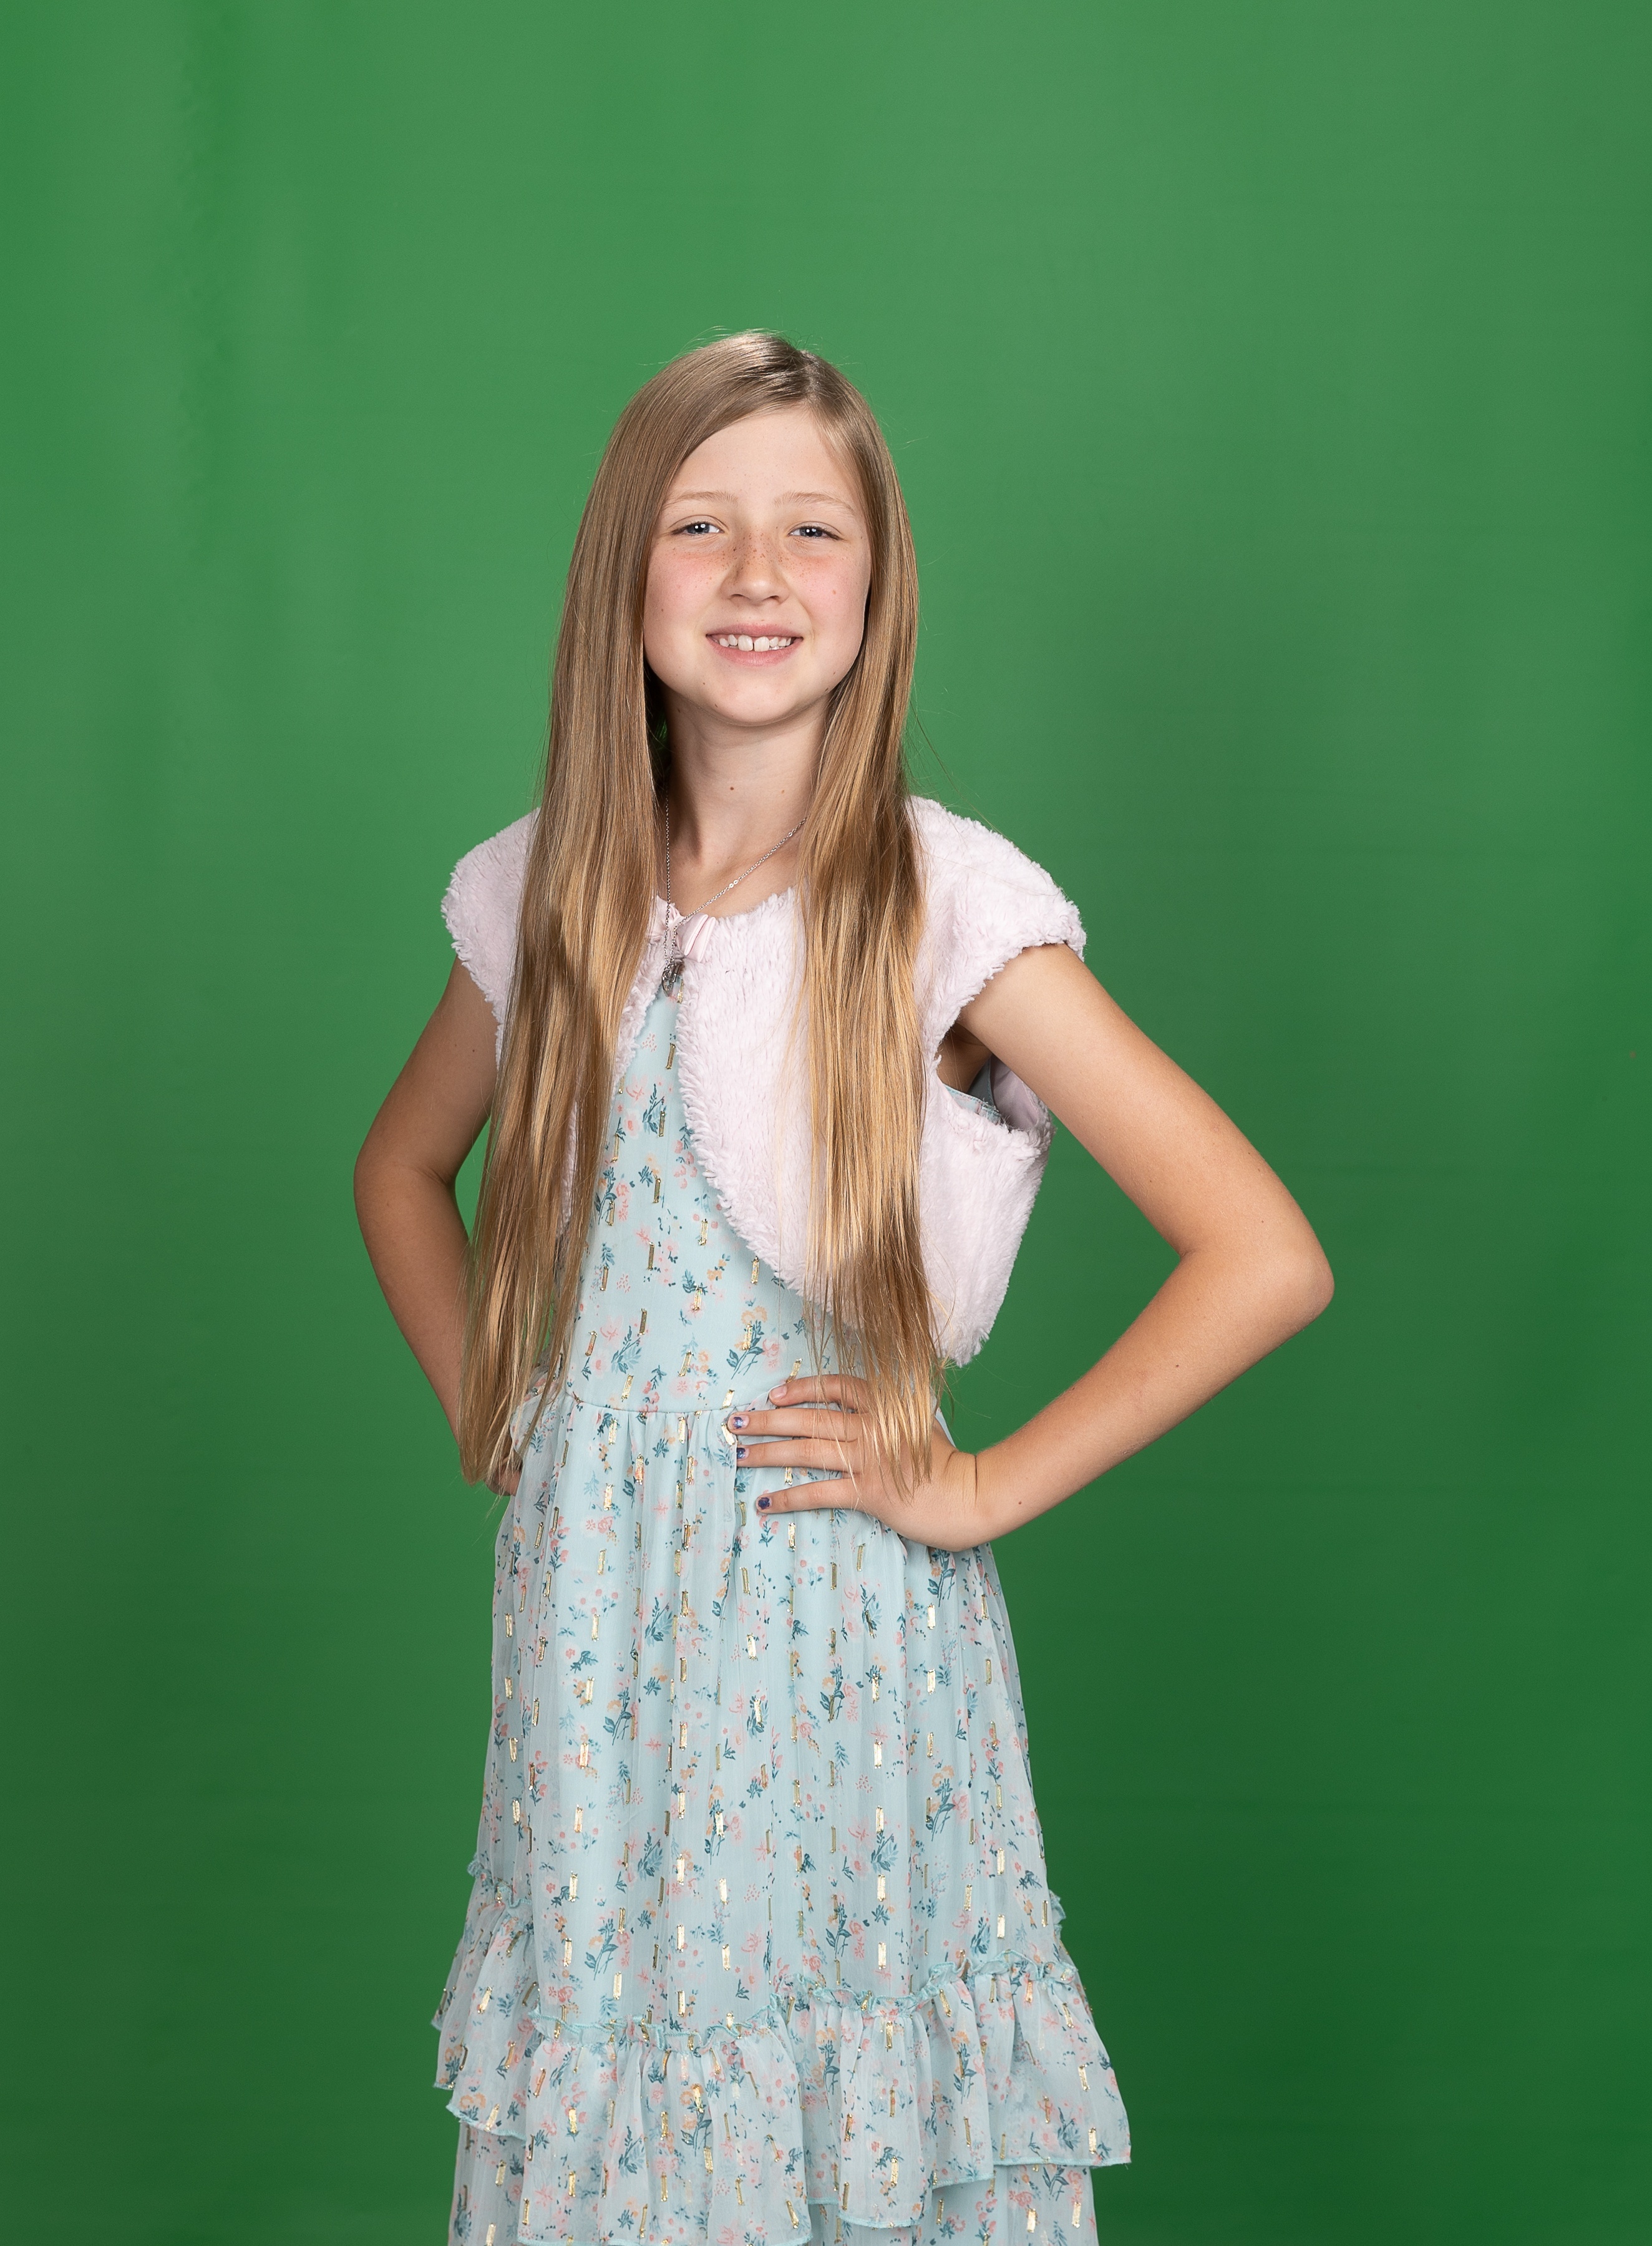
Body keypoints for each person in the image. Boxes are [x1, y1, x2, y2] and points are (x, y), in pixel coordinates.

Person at [354, 332, 1332, 2246]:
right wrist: (500, 1405)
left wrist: (981, 1486)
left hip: (837, 1639)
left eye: (814, 530)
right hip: (590, 1639)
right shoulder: (545, 895)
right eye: (700, 524)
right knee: (625, 2097)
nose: (757, 572)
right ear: (621, 571)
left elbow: (1263, 1252)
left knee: (826, 2086)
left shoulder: (944, 904)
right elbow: (402, 1169)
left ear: (876, 589)